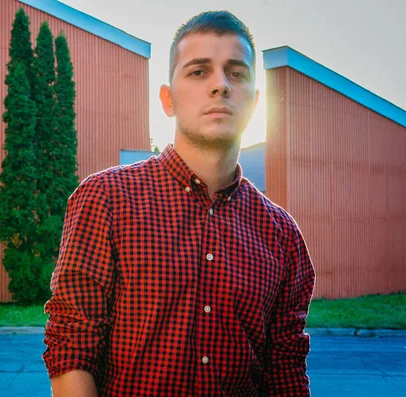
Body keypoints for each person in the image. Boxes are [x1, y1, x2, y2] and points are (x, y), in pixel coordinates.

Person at [43, 10, 316, 397]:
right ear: (168, 99)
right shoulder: (105, 200)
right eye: (199, 71)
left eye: (236, 72)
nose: (220, 85)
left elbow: (286, 375)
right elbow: (72, 349)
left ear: (255, 103)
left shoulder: (282, 236)